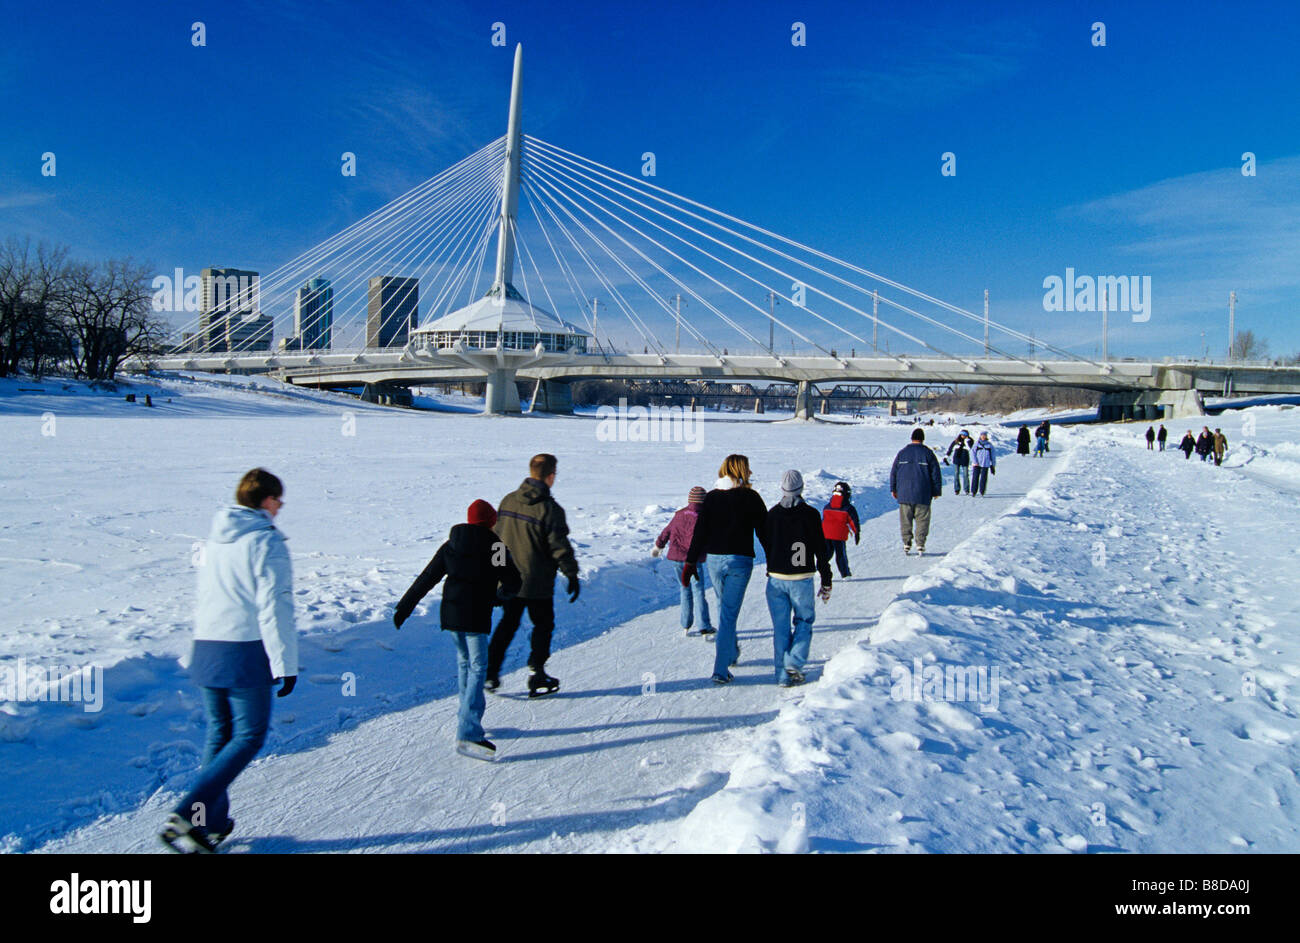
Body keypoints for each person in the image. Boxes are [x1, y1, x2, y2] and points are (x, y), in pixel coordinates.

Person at [161, 468, 297, 853]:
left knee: (220, 734)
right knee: (249, 735)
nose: (280, 508)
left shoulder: (217, 537)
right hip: (243, 650)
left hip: (207, 648)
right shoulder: (266, 541)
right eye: (279, 500)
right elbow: (276, 606)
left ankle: (208, 822)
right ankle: (189, 813)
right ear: (267, 500)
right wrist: (285, 662)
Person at [393, 500, 521, 761]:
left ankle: (465, 717)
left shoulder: (452, 543)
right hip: (475, 616)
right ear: (490, 521)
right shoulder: (495, 545)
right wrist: (501, 596)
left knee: (465, 664)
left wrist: (404, 607)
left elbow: (427, 577)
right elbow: (513, 580)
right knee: (477, 668)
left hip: (451, 615)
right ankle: (469, 731)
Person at [485, 453, 579, 697]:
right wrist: (571, 574)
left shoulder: (508, 500)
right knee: (543, 626)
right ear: (550, 476)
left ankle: (490, 673)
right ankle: (536, 673)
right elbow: (559, 546)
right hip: (537, 583)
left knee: (507, 625)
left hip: (509, 580)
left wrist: (497, 572)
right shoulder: (550, 510)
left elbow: (497, 538)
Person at [683, 454, 768, 685]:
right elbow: (765, 532)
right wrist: (774, 560)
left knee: (725, 607)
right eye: (748, 468)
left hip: (714, 560)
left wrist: (690, 562)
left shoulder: (710, 498)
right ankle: (720, 670)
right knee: (729, 614)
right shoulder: (751, 497)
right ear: (743, 470)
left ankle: (729, 652)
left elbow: (700, 532)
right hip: (739, 562)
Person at [760, 470, 832, 687]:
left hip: (775, 579)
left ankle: (783, 675)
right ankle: (795, 661)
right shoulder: (810, 514)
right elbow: (821, 549)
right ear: (802, 488)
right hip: (802, 578)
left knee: (780, 628)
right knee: (804, 621)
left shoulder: (771, 515)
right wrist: (826, 579)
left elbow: (766, 543)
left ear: (782, 488)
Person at [654, 486, 714, 636]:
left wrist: (658, 546)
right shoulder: (705, 516)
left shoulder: (679, 515)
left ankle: (685, 624)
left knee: (684, 588)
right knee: (698, 590)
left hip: (677, 558)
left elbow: (666, 531)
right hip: (693, 561)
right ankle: (704, 625)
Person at [890, 428, 943, 555]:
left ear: (911, 438)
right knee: (922, 520)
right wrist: (936, 491)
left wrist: (893, 488)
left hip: (904, 493)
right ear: (923, 439)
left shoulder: (902, 453)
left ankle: (906, 543)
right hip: (923, 493)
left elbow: (894, 472)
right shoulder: (928, 453)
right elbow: (935, 473)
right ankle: (920, 544)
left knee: (905, 520)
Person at [820, 481, 860, 578]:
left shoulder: (827, 507)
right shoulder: (848, 508)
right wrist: (857, 533)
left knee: (826, 554)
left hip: (825, 534)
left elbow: (823, 521)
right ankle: (845, 574)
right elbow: (853, 522)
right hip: (838, 536)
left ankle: (818, 568)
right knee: (840, 555)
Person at [971, 431, 996, 496]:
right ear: (980, 436)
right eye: (982, 435)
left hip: (985, 463)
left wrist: (993, 465)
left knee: (984, 478)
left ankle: (982, 491)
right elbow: (972, 453)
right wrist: (975, 461)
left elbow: (993, 455)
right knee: (975, 477)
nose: (983, 437)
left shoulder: (989, 445)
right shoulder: (976, 444)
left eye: (984, 435)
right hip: (977, 463)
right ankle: (974, 491)